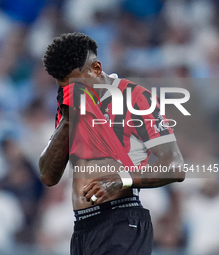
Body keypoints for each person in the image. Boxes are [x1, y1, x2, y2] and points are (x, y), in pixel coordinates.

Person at [39, 32, 185, 255]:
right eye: (64, 86)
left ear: (96, 68)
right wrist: (67, 121)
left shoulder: (134, 97)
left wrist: (122, 179)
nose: (71, 91)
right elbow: (49, 176)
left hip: (121, 221)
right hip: (82, 229)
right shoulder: (68, 105)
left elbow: (175, 166)